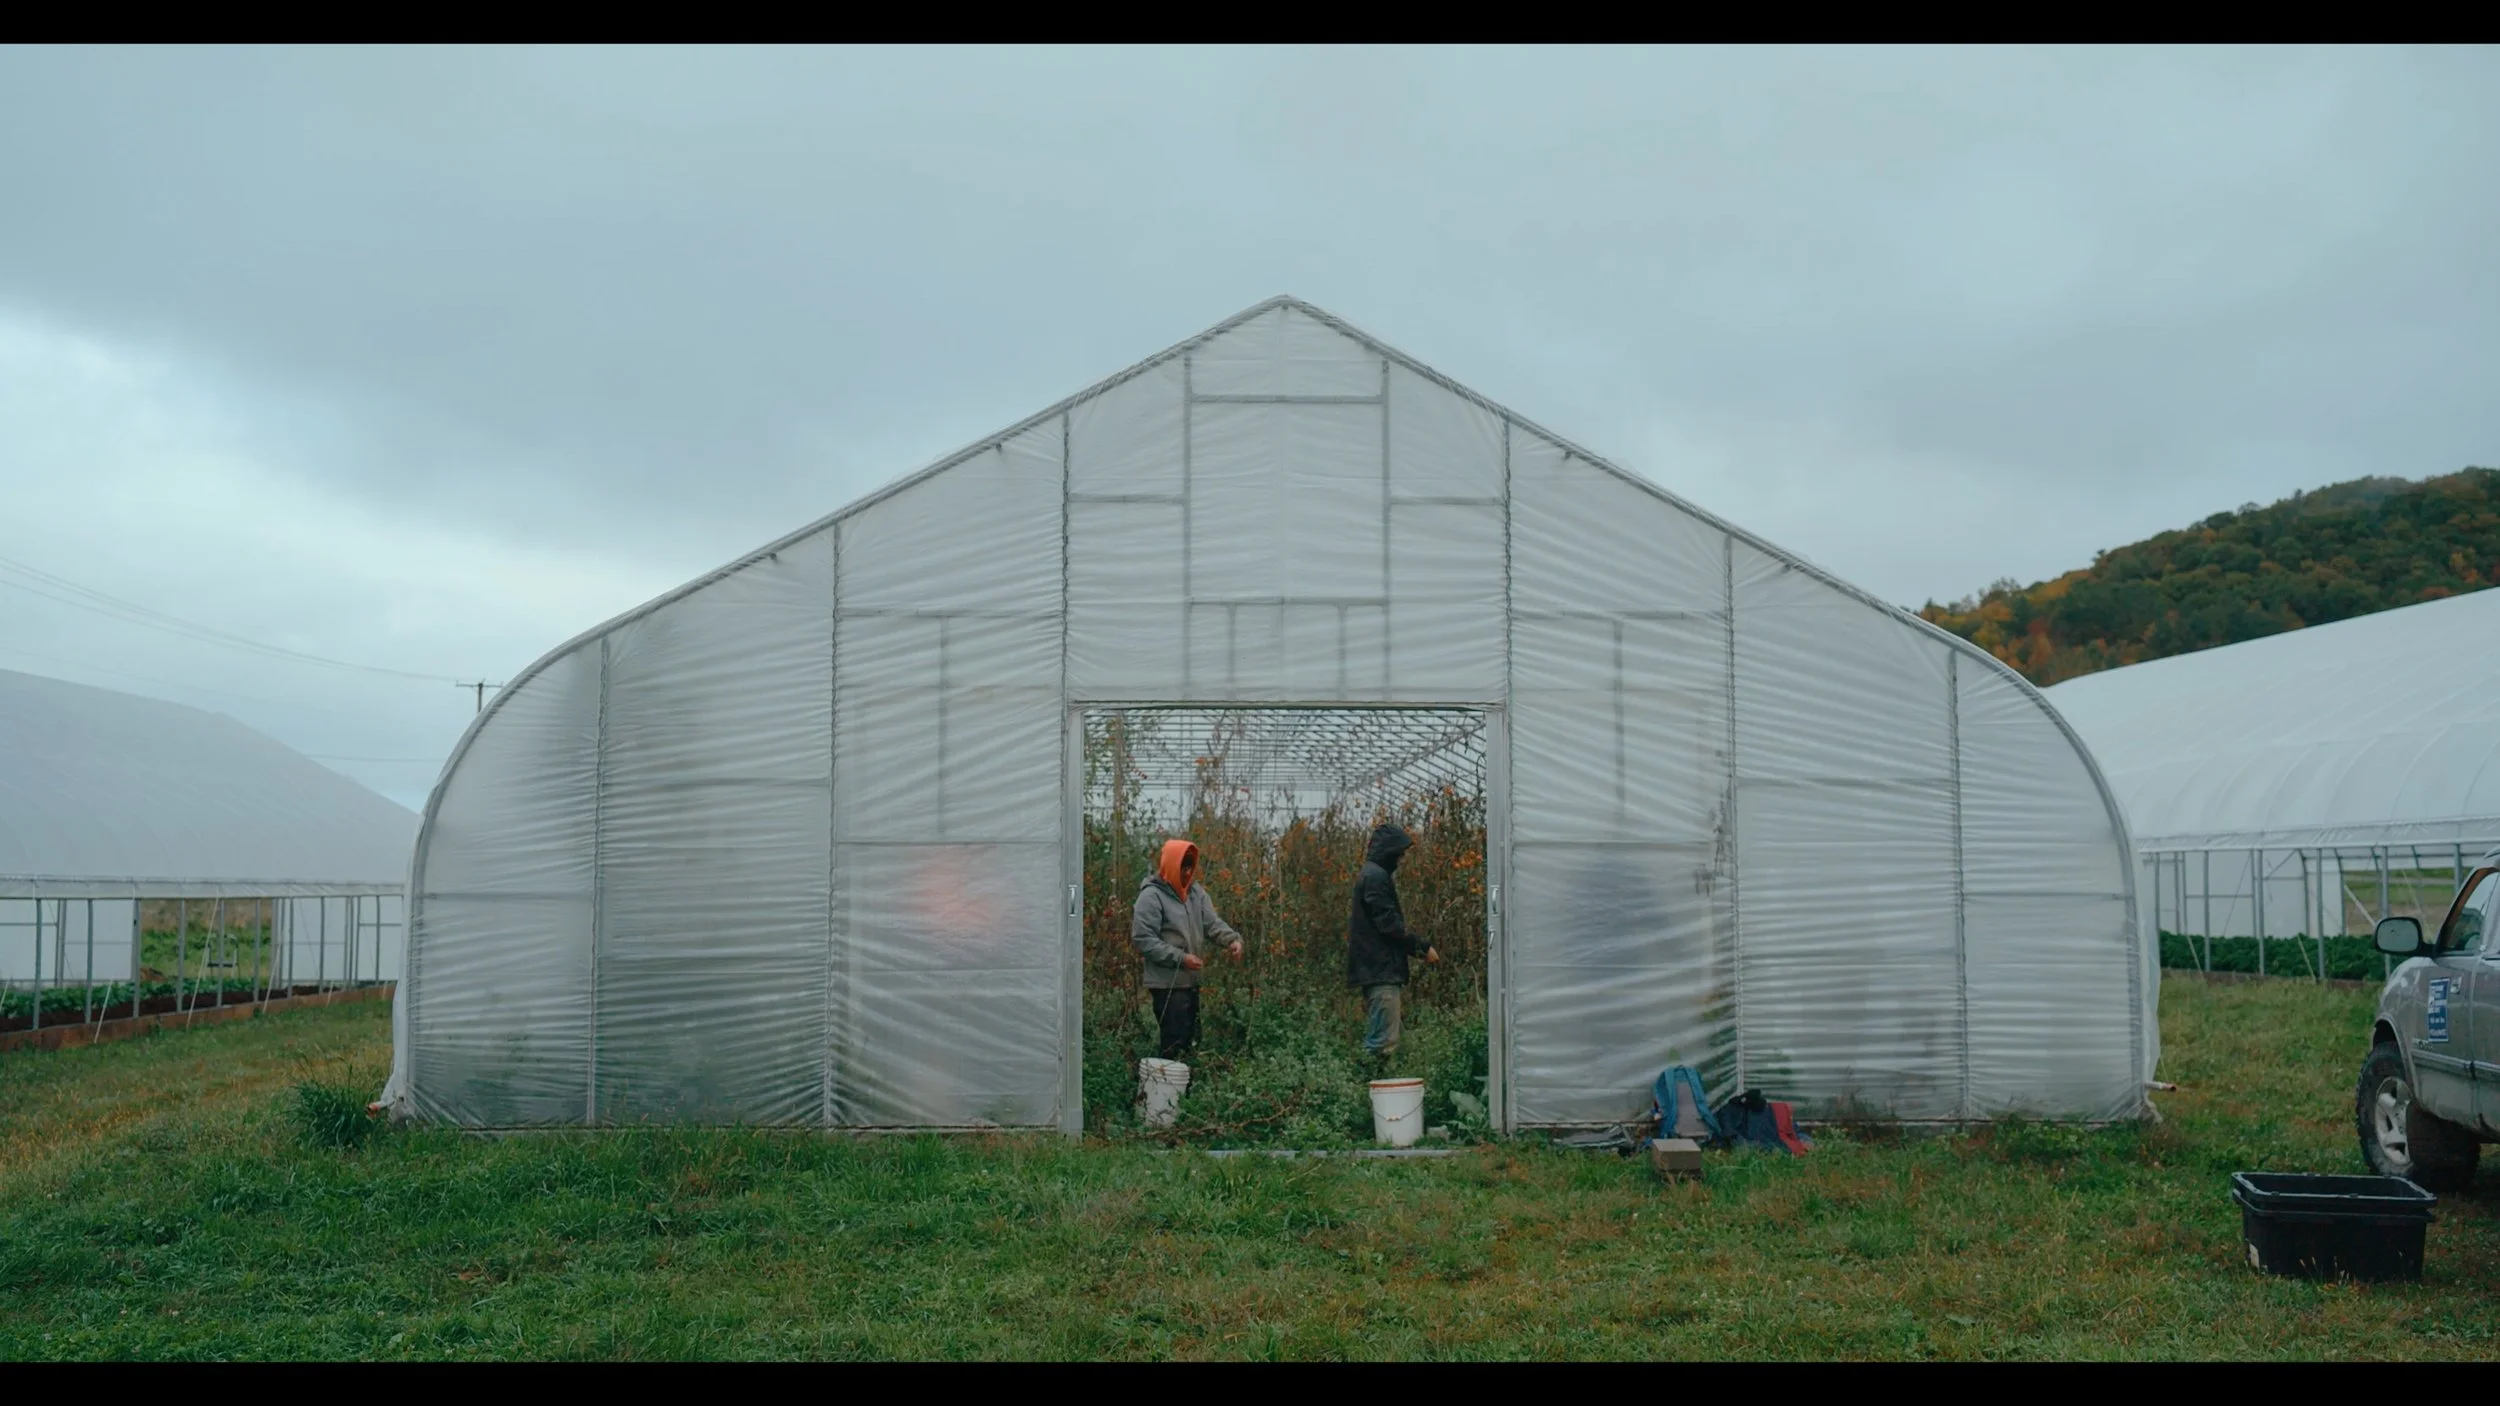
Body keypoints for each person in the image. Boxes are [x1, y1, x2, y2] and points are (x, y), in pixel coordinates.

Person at [1129, 838, 1243, 1061]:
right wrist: (1181, 958)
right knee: (1174, 1042)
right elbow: (1144, 939)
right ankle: (1163, 1082)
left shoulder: (1195, 893)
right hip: (1166, 984)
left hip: (1189, 981)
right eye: (1183, 867)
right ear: (1171, 865)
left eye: (1191, 867)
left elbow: (1212, 923)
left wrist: (1232, 940)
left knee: (1191, 1040)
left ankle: (1184, 1082)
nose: (1188, 873)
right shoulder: (1151, 896)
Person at [1347, 822, 1438, 1063]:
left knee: (1382, 1038)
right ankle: (1367, 1082)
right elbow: (1390, 926)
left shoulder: (1372, 874)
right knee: (1382, 1044)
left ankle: (1367, 1079)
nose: (1401, 859)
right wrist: (1422, 948)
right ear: (1389, 851)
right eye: (1399, 853)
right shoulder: (1376, 878)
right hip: (1380, 969)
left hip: (1376, 968)